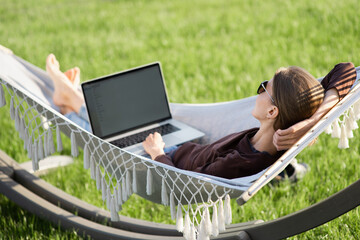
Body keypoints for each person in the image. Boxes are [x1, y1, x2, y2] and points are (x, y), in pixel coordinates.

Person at [45, 54, 357, 179]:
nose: (258, 92)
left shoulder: (244, 161)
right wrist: (315, 119)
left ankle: (70, 101)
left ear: (273, 111)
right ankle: (72, 99)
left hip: (169, 160)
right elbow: (347, 71)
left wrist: (156, 153)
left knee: (108, 136)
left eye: (264, 88)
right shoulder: (284, 130)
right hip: (189, 146)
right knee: (128, 125)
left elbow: (185, 183)